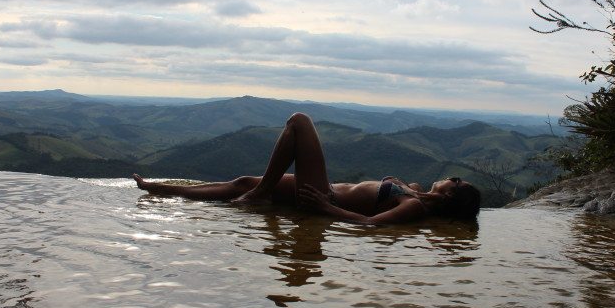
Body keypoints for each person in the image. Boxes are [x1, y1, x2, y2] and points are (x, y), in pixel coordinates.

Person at [133, 112, 480, 225]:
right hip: (321, 190)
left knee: (299, 122)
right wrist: (410, 185)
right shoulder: (417, 193)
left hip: (322, 194)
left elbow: (372, 225)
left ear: (452, 191)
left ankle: (262, 193)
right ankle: (161, 189)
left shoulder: (416, 205)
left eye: (456, 181)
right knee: (242, 181)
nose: (452, 176)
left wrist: (327, 208)